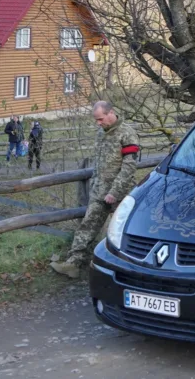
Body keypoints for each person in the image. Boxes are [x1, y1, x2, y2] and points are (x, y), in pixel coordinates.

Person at [51, 101, 140, 279]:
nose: (98, 123)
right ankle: (73, 264)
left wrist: (114, 192)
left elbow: (129, 167)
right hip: (99, 191)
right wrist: (96, 186)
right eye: (96, 120)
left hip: (121, 194)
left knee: (124, 232)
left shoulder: (127, 134)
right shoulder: (101, 133)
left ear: (111, 113)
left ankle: (128, 270)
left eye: (100, 119)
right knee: (87, 225)